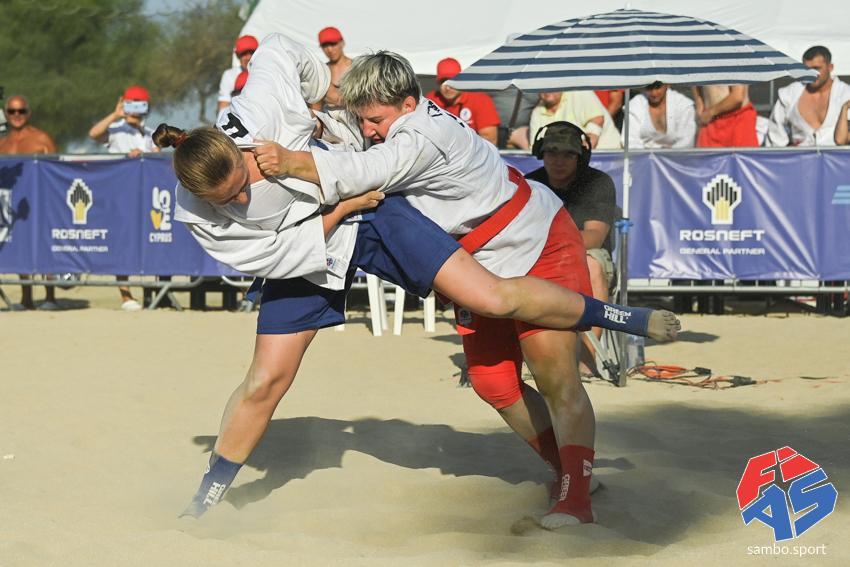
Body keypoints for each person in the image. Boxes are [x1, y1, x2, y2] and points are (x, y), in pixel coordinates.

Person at [159, 35, 679, 526]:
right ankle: (206, 498)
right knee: (269, 379)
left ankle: (608, 351)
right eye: (226, 201)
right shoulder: (201, 213)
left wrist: (314, 113)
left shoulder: (387, 130)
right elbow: (274, 253)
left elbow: (290, 65)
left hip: (502, 232)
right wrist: (337, 201)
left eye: (243, 181)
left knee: (517, 328)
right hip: (336, 235)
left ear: (240, 146)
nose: (242, 199)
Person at [525, 122, 617, 371]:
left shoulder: (597, 183)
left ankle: (587, 357)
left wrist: (555, 248)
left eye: (568, 154)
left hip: (583, 255)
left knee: (591, 264)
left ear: (580, 157)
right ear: (541, 153)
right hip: (539, 256)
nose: (559, 161)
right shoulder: (531, 184)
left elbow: (595, 236)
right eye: (552, 153)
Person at [89, 85, 159, 310]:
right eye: (132, 103)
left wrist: (146, 155)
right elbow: (94, 134)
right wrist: (115, 114)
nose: (135, 110)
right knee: (122, 241)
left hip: (147, 193)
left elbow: (158, 156)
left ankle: (154, 292)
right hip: (121, 193)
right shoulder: (116, 129)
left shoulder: (150, 133)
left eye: (139, 104)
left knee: (151, 238)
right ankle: (125, 294)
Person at [0, 95, 59, 310]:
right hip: (12, 203)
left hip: (41, 200)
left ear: (28, 113)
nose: (17, 115)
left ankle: (50, 296)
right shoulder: (3, 143)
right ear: (6, 114)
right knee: (21, 247)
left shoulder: (41, 139)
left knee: (45, 247)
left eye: (21, 111)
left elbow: (57, 171)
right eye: (12, 111)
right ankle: (26, 298)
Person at [766, 46, 850, 147]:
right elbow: (775, 138)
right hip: (799, 155)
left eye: (816, 68)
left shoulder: (846, 94)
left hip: (838, 156)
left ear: (830, 67)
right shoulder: (789, 94)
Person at [425, 58, 500, 145]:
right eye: (443, 81)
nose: (448, 87)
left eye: (453, 80)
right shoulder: (431, 100)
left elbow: (490, 139)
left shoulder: (480, 100)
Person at [529, 91, 621, 150]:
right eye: (542, 86)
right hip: (565, 163)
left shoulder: (580, 92)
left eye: (551, 84)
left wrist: (582, 153)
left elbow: (597, 120)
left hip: (606, 157)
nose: (547, 90)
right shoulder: (536, 112)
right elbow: (535, 147)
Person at [627, 82, 696, 149]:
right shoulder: (634, 105)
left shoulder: (683, 105)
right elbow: (631, 140)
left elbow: (686, 141)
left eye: (658, 87)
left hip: (677, 156)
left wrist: (668, 155)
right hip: (642, 155)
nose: (654, 93)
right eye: (649, 88)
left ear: (667, 85)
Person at [692, 85, 758, 147]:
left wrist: (710, 113)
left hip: (737, 121)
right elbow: (694, 79)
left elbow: (737, 97)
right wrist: (698, 101)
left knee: (743, 155)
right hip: (710, 122)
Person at [217, 35, 258, 112]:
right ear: (238, 56)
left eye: (252, 53)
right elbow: (223, 108)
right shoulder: (230, 75)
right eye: (244, 54)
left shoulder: (265, 74)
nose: (248, 57)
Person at [316, 26, 352, 109]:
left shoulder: (357, 68)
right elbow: (316, 105)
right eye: (325, 46)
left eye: (333, 44)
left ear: (342, 43)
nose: (329, 49)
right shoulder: (322, 71)